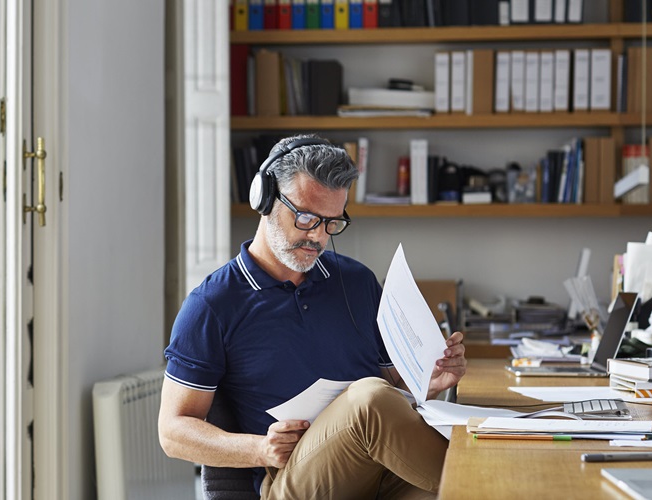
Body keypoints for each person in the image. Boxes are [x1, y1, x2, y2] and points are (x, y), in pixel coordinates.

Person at [158, 134, 467, 499]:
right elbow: (173, 432)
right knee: (368, 400)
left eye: (332, 222)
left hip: (380, 472)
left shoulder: (356, 281)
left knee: (454, 456)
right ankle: (486, 483)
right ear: (265, 199)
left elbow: (393, 386)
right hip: (293, 480)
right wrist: (258, 449)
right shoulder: (212, 304)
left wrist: (427, 379)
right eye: (305, 218)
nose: (318, 237)